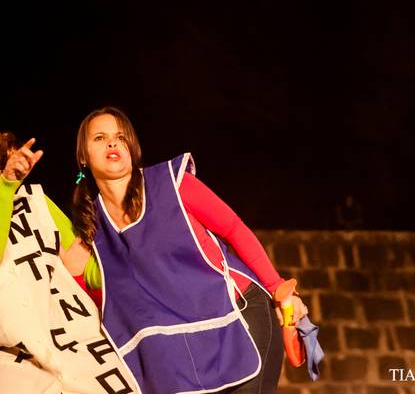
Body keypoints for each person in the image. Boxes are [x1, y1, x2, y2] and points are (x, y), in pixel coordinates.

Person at [67, 107, 309, 394]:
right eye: (100, 137)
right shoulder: (92, 227)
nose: (112, 143)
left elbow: (234, 229)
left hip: (240, 313)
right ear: (83, 156)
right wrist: (74, 275)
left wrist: (278, 288)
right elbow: (106, 302)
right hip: (184, 346)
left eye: (120, 137)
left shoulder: (173, 184)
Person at [0, 121, 137, 394]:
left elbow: (87, 270)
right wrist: (6, 187)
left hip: (85, 356)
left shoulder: (35, 202)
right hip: (13, 372)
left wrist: (135, 243)